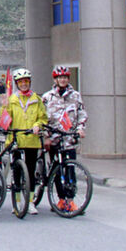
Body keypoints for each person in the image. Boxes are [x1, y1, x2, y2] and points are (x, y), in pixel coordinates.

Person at [41, 66, 88, 213]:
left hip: (69, 139)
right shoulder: (47, 97)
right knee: (56, 170)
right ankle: (61, 199)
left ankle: (70, 200)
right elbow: (42, 118)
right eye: (60, 77)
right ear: (55, 79)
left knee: (70, 170)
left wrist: (80, 128)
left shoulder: (75, 96)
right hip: (54, 138)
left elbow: (81, 114)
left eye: (65, 77)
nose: (63, 80)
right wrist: (46, 136)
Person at [3, 67, 47, 215]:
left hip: (32, 139)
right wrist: (4, 109)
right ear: (17, 83)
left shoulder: (36, 99)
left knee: (30, 171)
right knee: (16, 172)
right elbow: (5, 120)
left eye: (26, 81)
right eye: (21, 82)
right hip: (16, 139)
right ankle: (17, 202)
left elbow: (43, 117)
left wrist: (37, 125)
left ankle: (30, 202)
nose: (23, 84)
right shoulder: (12, 100)